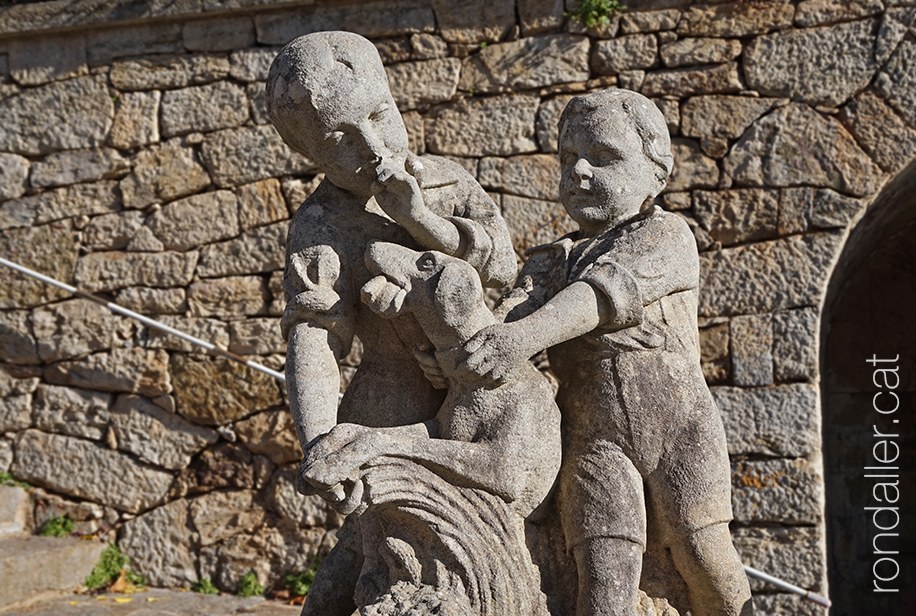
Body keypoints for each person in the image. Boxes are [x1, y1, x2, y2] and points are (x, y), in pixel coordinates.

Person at [457, 89, 754, 616]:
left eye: (605, 156)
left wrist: (521, 339)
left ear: (656, 173)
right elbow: (506, 320)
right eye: (569, 159)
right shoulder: (550, 260)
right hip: (594, 440)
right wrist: (462, 343)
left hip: (680, 430)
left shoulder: (666, 235)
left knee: (707, 559)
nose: (580, 172)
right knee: (602, 584)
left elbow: (600, 296)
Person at [265, 31, 516, 616]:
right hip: (389, 404)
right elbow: (316, 339)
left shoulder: (449, 183)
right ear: (311, 156)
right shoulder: (322, 226)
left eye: (380, 115)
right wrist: (322, 441)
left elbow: (502, 273)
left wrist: (420, 218)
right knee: (356, 580)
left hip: (484, 399)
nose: (373, 147)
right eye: (340, 139)